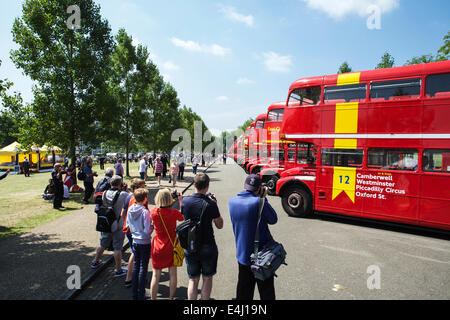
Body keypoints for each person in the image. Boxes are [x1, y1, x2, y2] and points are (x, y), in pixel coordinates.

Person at [229, 174, 278, 300]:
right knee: (266, 292)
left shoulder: (232, 201)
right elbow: (273, 219)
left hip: (243, 254)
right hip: (262, 257)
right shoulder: (259, 202)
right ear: (260, 188)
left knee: (244, 292)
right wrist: (263, 198)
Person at [181, 173, 224, 300]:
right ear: (208, 186)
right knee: (207, 277)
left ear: (194, 185)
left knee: (193, 280)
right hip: (208, 244)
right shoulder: (211, 204)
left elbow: (185, 217)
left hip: (191, 244)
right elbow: (219, 225)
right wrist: (215, 204)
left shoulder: (185, 201)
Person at [91, 176, 130, 277]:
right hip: (118, 223)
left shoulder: (104, 193)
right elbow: (132, 198)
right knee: (117, 247)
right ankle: (118, 269)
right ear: (120, 184)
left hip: (106, 222)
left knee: (102, 243)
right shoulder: (124, 194)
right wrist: (126, 189)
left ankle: (95, 261)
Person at [150, 188, 184, 300]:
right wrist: (180, 200)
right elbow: (182, 217)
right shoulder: (173, 213)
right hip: (171, 244)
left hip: (157, 245)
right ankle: (171, 297)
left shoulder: (154, 212)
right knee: (173, 274)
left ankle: (153, 298)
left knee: (155, 275)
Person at [126, 187, 153, 300]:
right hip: (144, 241)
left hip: (135, 240)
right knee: (143, 267)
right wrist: (153, 226)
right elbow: (147, 230)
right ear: (145, 198)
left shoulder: (131, 208)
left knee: (136, 266)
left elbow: (128, 225)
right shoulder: (145, 212)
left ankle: (134, 294)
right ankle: (141, 293)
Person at [121, 178, 147, 288]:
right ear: (136, 188)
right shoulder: (140, 200)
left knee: (135, 252)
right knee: (136, 253)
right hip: (137, 232)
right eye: (143, 186)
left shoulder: (128, 197)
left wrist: (127, 224)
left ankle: (132, 276)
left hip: (129, 230)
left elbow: (123, 213)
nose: (144, 188)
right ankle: (130, 277)